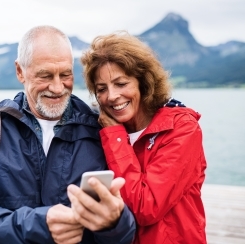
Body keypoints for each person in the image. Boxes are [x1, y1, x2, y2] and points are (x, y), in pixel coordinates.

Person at [0, 26, 136, 244]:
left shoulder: (102, 128)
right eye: (45, 75)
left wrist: (115, 223)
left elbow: (128, 231)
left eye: (66, 74)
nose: (58, 88)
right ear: (20, 71)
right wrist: (38, 225)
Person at [78, 32, 207, 244]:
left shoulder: (182, 128)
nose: (111, 96)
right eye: (102, 89)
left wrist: (115, 137)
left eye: (121, 84)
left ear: (143, 82)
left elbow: (146, 207)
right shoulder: (102, 129)